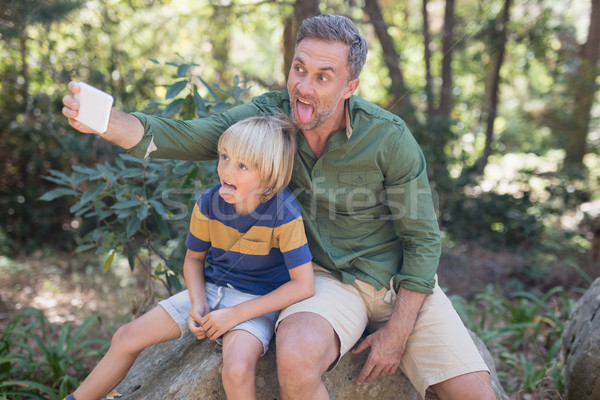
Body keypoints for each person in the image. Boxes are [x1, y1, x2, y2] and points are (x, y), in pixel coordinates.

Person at [63, 14, 496, 400]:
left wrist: (397, 333)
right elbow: (185, 136)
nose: (303, 87)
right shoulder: (270, 119)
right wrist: (104, 121)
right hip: (325, 281)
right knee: (295, 355)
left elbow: (422, 240)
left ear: (350, 86)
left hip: (395, 280)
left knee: (475, 394)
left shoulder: (389, 138)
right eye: (299, 69)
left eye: (323, 77)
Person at [62, 115, 315, 400]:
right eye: (224, 157)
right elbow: (194, 260)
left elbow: (303, 285)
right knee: (124, 337)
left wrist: (235, 315)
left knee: (236, 370)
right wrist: (197, 302)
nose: (226, 170)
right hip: (209, 291)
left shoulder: (284, 212)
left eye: (242, 165)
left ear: (269, 176)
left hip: (255, 305)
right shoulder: (209, 203)